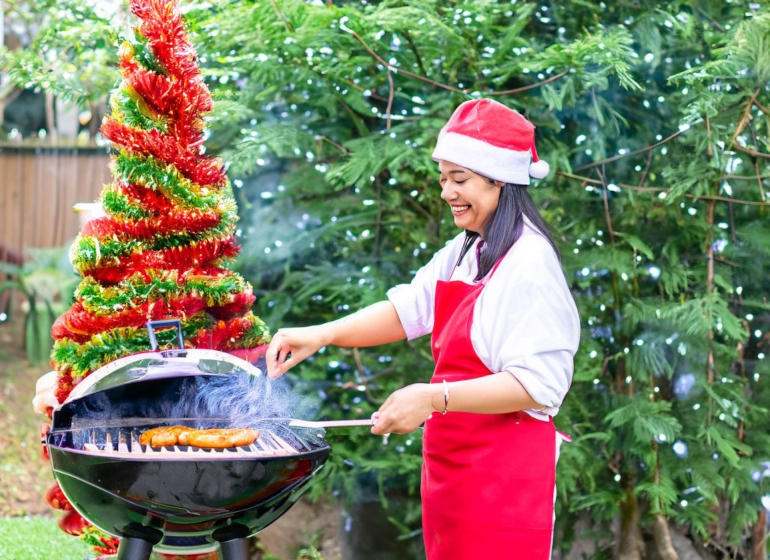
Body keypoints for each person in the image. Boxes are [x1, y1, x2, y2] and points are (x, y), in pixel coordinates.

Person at [266, 98, 581, 559]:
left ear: (500, 179)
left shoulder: (530, 263)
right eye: (443, 179)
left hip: (504, 481)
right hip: (453, 474)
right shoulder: (466, 249)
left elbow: (539, 385)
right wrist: (323, 334)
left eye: (460, 179)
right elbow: (409, 310)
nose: (447, 192)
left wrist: (434, 398)